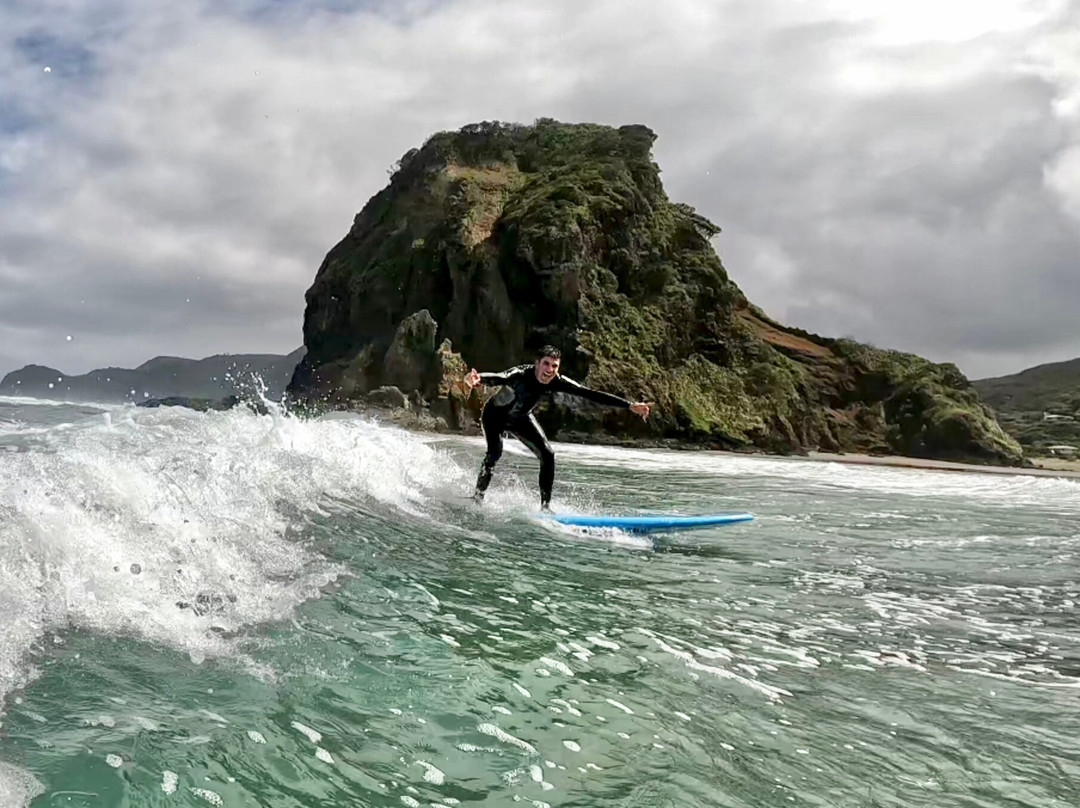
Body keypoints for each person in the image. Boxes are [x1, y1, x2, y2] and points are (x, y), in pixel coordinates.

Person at [464, 346, 651, 509]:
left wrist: (629, 405)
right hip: (495, 416)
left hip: (520, 418)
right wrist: (478, 378)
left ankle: (545, 508)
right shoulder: (520, 374)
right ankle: (477, 497)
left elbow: (590, 394)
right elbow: (500, 377)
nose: (549, 370)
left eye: (554, 366)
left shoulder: (557, 381)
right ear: (537, 363)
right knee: (495, 453)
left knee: (548, 454)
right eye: (546, 364)